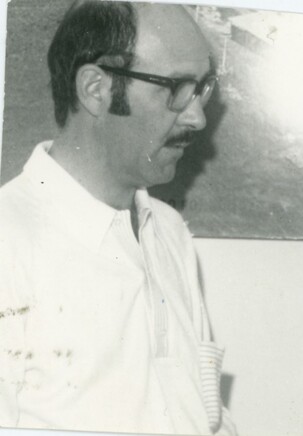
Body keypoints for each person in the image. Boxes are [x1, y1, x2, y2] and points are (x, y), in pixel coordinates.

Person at [0, 2, 236, 434]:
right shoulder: (8, 243)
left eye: (202, 88)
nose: (198, 117)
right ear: (96, 89)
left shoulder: (167, 231)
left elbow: (205, 415)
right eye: (177, 88)